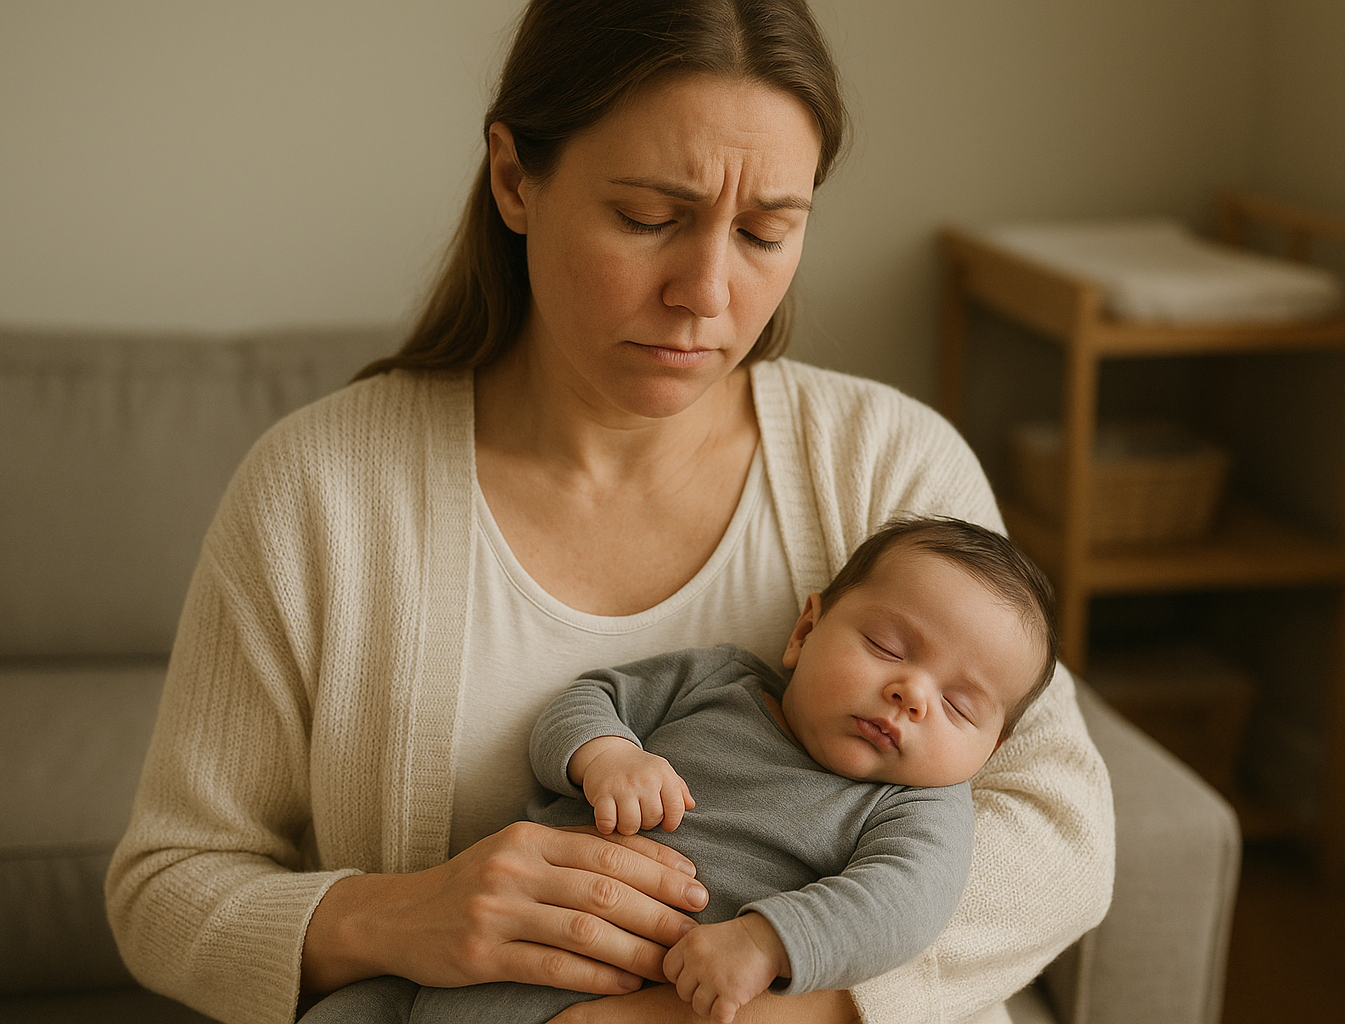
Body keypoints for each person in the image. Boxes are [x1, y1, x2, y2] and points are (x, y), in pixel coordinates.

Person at [105, 2, 1115, 1024]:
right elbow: (166, 888)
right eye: (647, 218)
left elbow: (1061, 838)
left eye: (767, 231)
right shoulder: (320, 491)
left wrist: (733, 1009)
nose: (707, 293)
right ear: (514, 179)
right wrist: (400, 916)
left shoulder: (888, 463)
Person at [302, 516, 1059, 1024]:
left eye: (960, 707)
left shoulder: (913, 808)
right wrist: (608, 754)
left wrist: (767, 943)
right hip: (454, 967)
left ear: (988, 753)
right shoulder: (720, 680)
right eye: (889, 648)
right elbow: (590, 698)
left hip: (621, 997)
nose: (911, 695)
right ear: (806, 629)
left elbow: (900, 904)